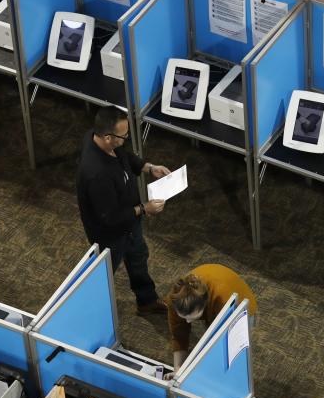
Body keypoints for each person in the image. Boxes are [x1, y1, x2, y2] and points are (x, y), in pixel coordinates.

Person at [76, 106, 170, 315]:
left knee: (138, 257)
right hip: (110, 235)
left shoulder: (100, 139)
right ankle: (89, 313)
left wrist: (148, 167)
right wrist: (144, 209)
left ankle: (147, 300)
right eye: (123, 135)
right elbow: (110, 218)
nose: (126, 138)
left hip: (130, 223)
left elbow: (124, 156)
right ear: (108, 137)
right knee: (103, 273)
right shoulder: (96, 174)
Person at [167, 264, 258, 371]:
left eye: (192, 317)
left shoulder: (223, 302)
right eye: (183, 317)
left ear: (204, 305)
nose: (187, 321)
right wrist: (178, 368)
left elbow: (221, 343)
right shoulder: (175, 299)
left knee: (230, 351)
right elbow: (179, 334)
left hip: (241, 306)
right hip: (216, 292)